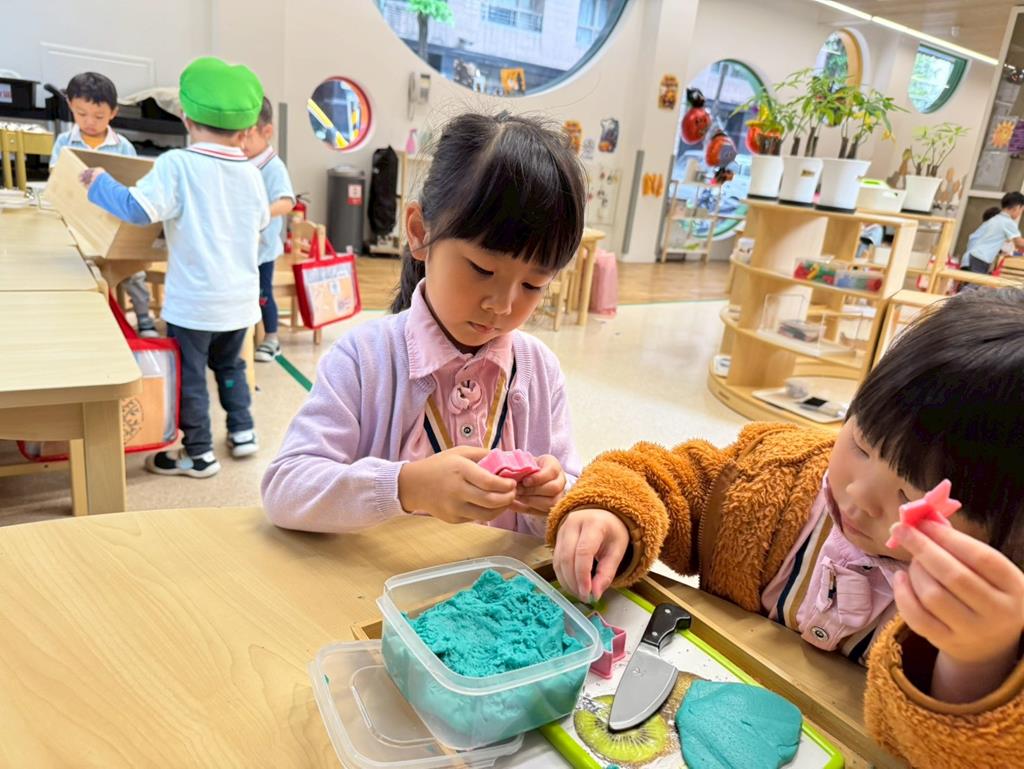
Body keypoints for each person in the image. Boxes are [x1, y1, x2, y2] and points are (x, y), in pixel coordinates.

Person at [549, 287, 1024, 768]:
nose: (858, 495)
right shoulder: (775, 475)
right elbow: (667, 480)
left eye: (907, 495)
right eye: (860, 445)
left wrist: (978, 660)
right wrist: (613, 511)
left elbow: (974, 748)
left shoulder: (989, 610)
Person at [262, 112, 586, 535]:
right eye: (482, 269)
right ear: (418, 232)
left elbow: (574, 492)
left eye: (533, 284)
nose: (502, 305)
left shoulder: (539, 370)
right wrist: (405, 487)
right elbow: (285, 488)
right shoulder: (364, 358)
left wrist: (558, 499)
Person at [80, 57, 269, 478]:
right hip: (238, 301)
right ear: (244, 130)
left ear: (185, 116)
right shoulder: (252, 173)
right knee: (232, 366)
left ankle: (198, 454)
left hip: (194, 304)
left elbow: (136, 208)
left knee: (190, 376)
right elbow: (257, 223)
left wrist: (98, 183)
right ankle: (243, 431)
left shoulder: (177, 164)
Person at [50, 72, 157, 338]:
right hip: (79, 224)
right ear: (70, 106)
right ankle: (90, 318)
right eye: (81, 114)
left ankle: (144, 318)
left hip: (113, 220)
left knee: (134, 272)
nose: (89, 122)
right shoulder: (64, 142)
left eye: (99, 116)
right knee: (78, 269)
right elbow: (58, 177)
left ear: (113, 113)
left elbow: (134, 182)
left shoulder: (123, 146)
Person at [242, 98, 295, 362]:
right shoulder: (242, 161)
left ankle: (272, 339)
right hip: (241, 247)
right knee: (242, 295)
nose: (241, 142)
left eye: (248, 136)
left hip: (262, 249)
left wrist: (260, 212)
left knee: (263, 295)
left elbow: (287, 201)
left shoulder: (273, 166)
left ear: (267, 132)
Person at [960, 191, 1024, 274]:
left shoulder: (994, 219)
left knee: (968, 282)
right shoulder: (1008, 222)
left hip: (969, 258)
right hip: (978, 259)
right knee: (972, 283)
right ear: (1017, 207)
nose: (1020, 214)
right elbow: (1019, 243)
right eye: (1022, 210)